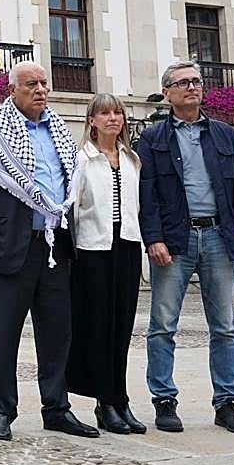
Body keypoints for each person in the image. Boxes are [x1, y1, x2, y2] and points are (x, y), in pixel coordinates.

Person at [0, 60, 98, 441]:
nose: (40, 90)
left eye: (43, 83)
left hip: (56, 249)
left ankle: (56, 408)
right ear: (12, 90)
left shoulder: (60, 132)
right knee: (3, 335)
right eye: (30, 84)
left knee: (56, 335)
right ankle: (1, 410)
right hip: (11, 249)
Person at [138, 61, 234, 435]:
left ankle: (228, 403)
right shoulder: (153, 138)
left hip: (218, 237)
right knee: (162, 325)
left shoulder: (225, 135)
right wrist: (153, 238)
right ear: (167, 93)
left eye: (196, 81)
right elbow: (147, 194)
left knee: (225, 327)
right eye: (183, 83)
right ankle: (164, 400)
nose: (192, 87)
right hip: (174, 241)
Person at [66, 93, 146, 435]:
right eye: (105, 113)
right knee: (98, 327)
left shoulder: (131, 159)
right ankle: (105, 402)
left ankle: (121, 398)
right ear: (92, 121)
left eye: (118, 112)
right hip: (93, 249)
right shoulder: (82, 159)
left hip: (126, 245)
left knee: (122, 326)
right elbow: (71, 206)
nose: (113, 118)